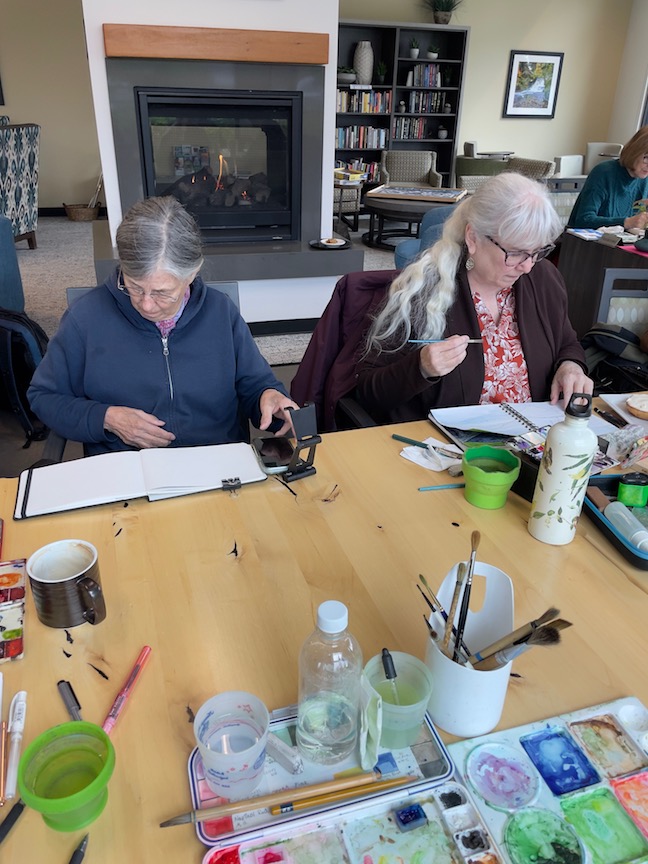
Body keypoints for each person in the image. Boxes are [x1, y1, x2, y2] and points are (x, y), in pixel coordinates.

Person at [28, 196, 298, 455]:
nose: (146, 305)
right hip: (127, 468)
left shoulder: (221, 312)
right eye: (134, 286)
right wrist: (107, 418)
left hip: (216, 465)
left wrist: (269, 396)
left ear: (191, 274)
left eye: (162, 292)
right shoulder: (85, 317)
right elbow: (44, 397)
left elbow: (256, 384)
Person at [355, 172, 592, 424]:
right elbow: (367, 392)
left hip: (534, 437)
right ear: (473, 237)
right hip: (445, 443)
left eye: (537, 252)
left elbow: (566, 342)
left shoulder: (543, 279)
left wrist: (570, 365)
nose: (527, 266)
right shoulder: (423, 293)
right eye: (515, 253)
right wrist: (420, 367)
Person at [567, 128, 648, 231]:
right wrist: (626, 222)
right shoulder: (604, 173)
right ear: (634, 152)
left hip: (622, 240)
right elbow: (583, 219)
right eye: (646, 158)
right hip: (586, 239)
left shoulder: (645, 179)